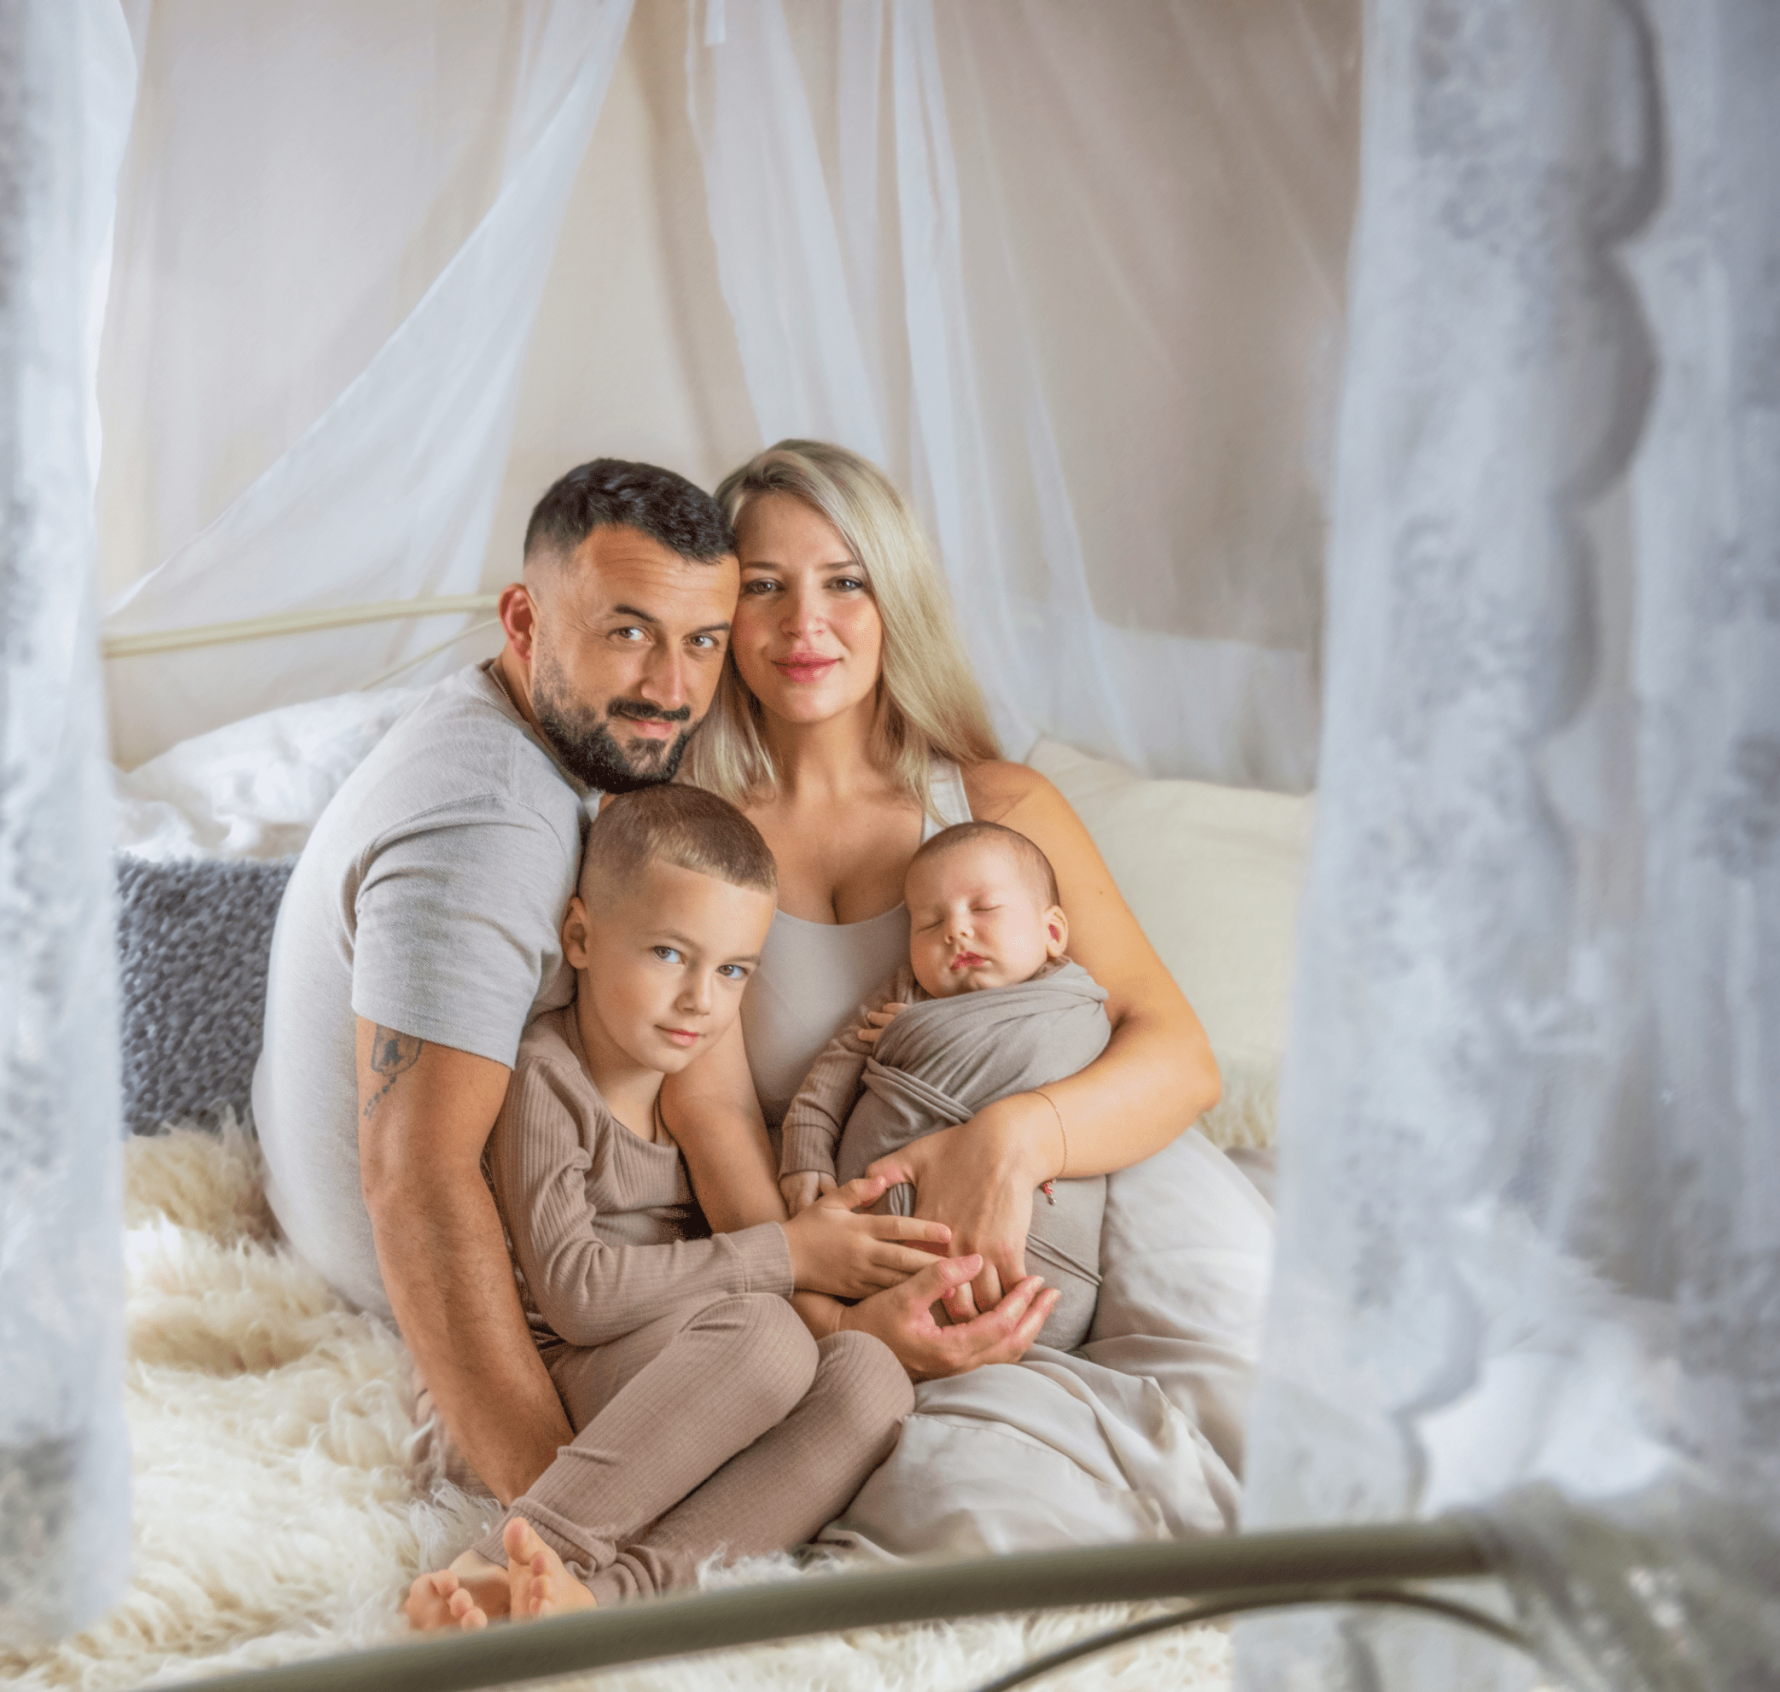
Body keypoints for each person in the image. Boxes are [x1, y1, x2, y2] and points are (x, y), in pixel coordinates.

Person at [250, 457, 1047, 1511]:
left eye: (701, 641)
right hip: (449, 1289)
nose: (671, 690)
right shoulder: (488, 828)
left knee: (851, 1379)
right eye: (627, 632)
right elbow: (416, 1182)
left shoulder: (554, 756)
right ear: (523, 623)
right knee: (782, 1362)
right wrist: (547, 1522)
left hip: (561, 1238)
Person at [670, 439, 1222, 1351]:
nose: (804, 623)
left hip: (1072, 1214)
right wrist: (830, 1317)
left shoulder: (1000, 807)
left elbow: (1181, 1057)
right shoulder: (688, 839)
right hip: (828, 1260)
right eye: (764, 586)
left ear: (896, 600)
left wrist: (1011, 1140)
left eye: (845, 581)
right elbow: (712, 1113)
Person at [404, 786, 937, 1629]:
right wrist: (788, 1252)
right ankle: (522, 1547)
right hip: (573, 1373)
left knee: (870, 1380)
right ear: (581, 936)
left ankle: (606, 1602)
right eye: (667, 953)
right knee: (766, 1334)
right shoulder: (547, 1076)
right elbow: (577, 1296)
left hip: (684, 1367)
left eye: (732, 971)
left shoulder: (692, 1090)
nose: (702, 1000)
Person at [777, 820, 1112, 1352]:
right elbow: (835, 1070)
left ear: (1051, 933)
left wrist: (926, 1034)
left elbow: (1092, 1087)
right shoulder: (905, 995)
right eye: (928, 923)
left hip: (1033, 1267)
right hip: (870, 1267)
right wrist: (805, 1152)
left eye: (983, 909)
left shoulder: (1072, 1004)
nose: (954, 931)